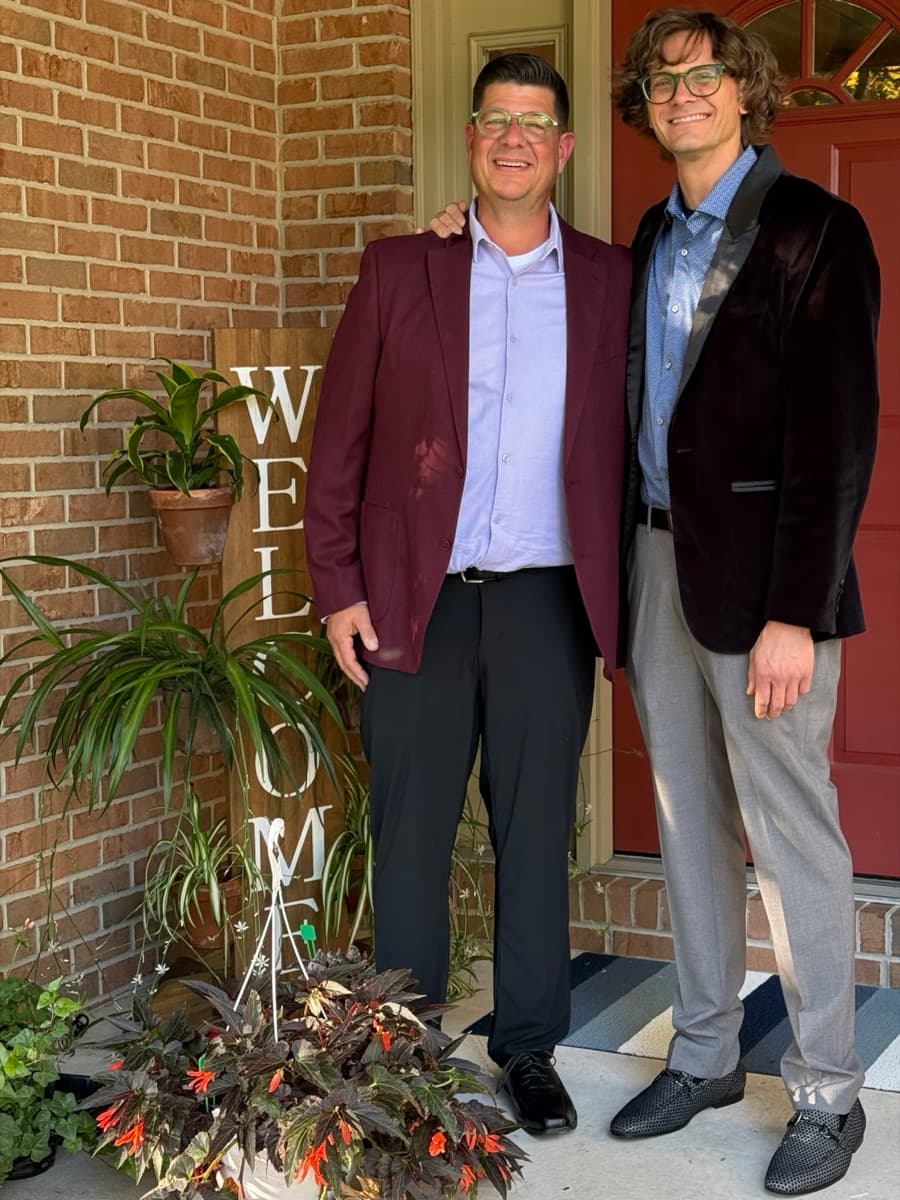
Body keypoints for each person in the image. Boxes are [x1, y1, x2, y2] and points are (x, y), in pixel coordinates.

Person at [304, 53, 630, 1136]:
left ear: (563, 148)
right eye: (495, 119)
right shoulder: (404, 268)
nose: (513, 138)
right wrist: (336, 586)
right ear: (472, 140)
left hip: (547, 599)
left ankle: (528, 1049)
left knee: (535, 833)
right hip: (413, 599)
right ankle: (405, 1051)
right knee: (412, 833)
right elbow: (338, 437)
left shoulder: (610, 280)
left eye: (535, 122)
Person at [607, 10, 879, 1197]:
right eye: (664, 82)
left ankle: (828, 1092)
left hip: (768, 582)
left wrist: (797, 611)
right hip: (658, 566)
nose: (685, 94)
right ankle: (709, 1052)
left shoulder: (816, 230)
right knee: (688, 823)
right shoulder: (649, 236)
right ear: (649, 105)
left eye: (706, 75)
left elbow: (836, 441)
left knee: (794, 835)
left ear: (744, 92)